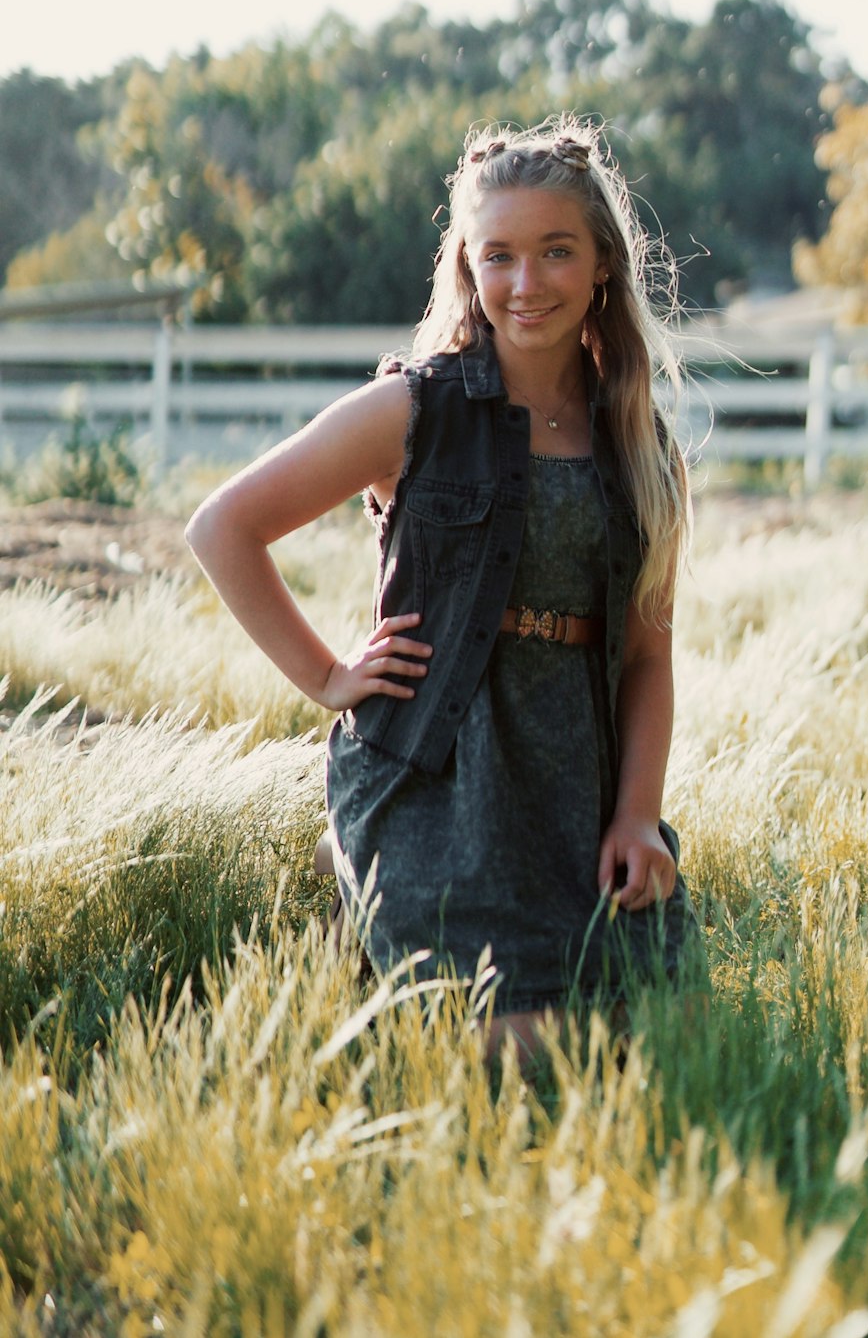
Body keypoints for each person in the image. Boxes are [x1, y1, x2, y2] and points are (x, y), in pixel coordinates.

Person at [186, 117, 702, 1062]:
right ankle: (363, 884)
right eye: (497, 254)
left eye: (555, 251)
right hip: (437, 776)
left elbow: (648, 656)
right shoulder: (414, 409)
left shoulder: (639, 444)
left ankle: (355, 923)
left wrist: (636, 813)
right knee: (528, 1063)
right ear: (467, 264)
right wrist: (330, 676)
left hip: (575, 789)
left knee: (662, 1043)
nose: (526, 281)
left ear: (601, 266)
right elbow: (223, 527)